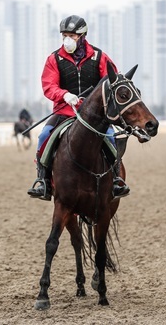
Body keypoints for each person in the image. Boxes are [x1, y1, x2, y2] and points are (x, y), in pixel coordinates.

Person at [27, 15, 129, 201]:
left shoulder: (100, 57)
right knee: (44, 135)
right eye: (64, 35)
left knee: (111, 138)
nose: (67, 39)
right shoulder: (54, 59)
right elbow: (48, 86)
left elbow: (112, 82)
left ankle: (116, 179)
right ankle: (43, 181)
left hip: (95, 115)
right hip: (64, 112)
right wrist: (64, 95)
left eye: (72, 36)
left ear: (82, 36)